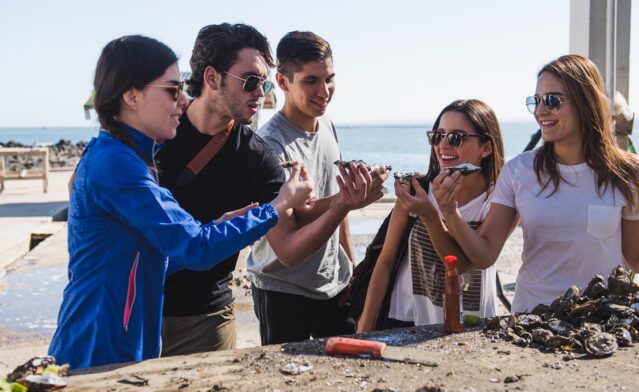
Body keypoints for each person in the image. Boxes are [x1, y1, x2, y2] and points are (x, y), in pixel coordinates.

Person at [48, 35, 312, 369]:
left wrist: (220, 226)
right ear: (131, 96)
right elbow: (195, 248)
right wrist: (275, 207)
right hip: (99, 349)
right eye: (172, 90)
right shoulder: (117, 165)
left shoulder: (126, 157)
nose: (184, 100)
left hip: (115, 343)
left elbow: (144, 257)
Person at [433, 54, 639, 314]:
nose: (540, 111)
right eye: (535, 101)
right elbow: (484, 255)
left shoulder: (629, 173)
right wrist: (449, 212)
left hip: (603, 319)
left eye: (551, 100)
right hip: (531, 322)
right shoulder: (518, 171)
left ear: (585, 102)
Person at [248, 31, 389, 345]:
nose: (324, 91)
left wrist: (349, 268)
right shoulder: (270, 146)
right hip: (282, 290)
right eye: (310, 81)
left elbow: (338, 208)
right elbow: (288, 250)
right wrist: (344, 201)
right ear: (282, 82)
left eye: (329, 79)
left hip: (334, 283)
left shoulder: (327, 124)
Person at [157, 23, 286, 356]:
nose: (261, 92)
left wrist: (341, 204)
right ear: (212, 78)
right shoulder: (157, 131)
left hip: (206, 319)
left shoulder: (259, 159)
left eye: (265, 82)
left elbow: (291, 237)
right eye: (251, 81)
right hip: (134, 308)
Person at [356, 99, 505, 332]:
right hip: (405, 316)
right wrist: (366, 320)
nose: (443, 146)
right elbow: (385, 260)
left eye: (456, 138)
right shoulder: (417, 189)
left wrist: (434, 216)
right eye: (438, 136)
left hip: (473, 321)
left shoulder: (500, 197)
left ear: (486, 147)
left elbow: (466, 263)